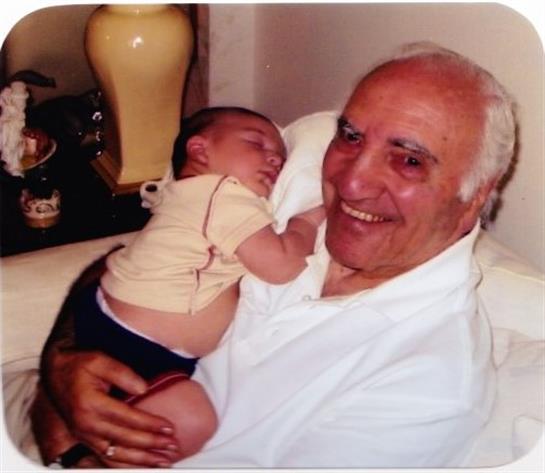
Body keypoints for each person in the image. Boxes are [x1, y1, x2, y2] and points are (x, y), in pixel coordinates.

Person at [32, 42, 516, 468]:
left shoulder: (426, 387)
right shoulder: (288, 178)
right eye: (351, 137)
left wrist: (71, 450)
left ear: (474, 195)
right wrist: (62, 364)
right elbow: (132, 259)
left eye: (409, 160)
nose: (350, 183)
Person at [34, 106, 325, 466]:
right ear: (199, 150)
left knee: (145, 426)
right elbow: (279, 265)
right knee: (189, 420)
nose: (275, 159)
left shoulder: (190, 198)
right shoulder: (221, 193)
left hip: (129, 331)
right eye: (256, 143)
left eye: (280, 155)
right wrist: (305, 224)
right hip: (136, 339)